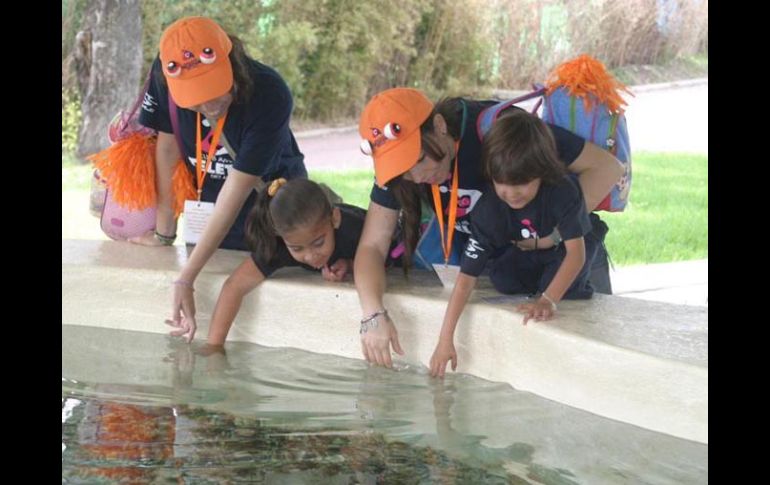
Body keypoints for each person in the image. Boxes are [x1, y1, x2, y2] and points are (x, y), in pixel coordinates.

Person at [354, 88, 623, 367]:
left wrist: (552, 234)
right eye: (404, 170)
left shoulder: (500, 131)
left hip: (566, 257)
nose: (418, 176)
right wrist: (373, 314)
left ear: (439, 126)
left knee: (591, 365)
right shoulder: (397, 167)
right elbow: (372, 245)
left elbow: (607, 168)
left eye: (420, 159)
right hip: (508, 270)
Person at [132, 17, 307, 341]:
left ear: (231, 61)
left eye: (214, 90)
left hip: (271, 207)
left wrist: (186, 278)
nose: (208, 105)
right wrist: (164, 231)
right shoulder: (164, 71)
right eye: (194, 99)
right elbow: (167, 147)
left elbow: (238, 188)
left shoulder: (270, 94)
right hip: (208, 202)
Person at [429, 110, 594, 377]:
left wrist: (548, 300)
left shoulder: (563, 190)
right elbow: (466, 278)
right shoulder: (489, 209)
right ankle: (540, 285)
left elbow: (576, 254)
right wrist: (444, 339)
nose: (511, 193)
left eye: (522, 184)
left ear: (542, 172)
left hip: (566, 248)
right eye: (501, 183)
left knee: (566, 286)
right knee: (502, 278)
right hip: (526, 247)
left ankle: (560, 286)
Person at [187, 178, 371, 346]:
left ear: (335, 219)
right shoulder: (278, 247)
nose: (310, 256)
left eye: (318, 243)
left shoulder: (355, 229)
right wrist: (214, 348)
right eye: (297, 249)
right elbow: (234, 286)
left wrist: (352, 263)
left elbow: (389, 255)